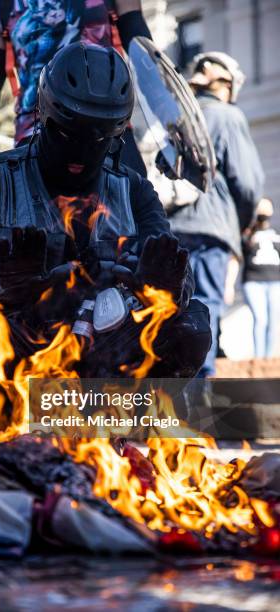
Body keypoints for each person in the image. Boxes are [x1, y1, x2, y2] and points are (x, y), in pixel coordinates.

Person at [0, 43, 212, 406]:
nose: (80, 151)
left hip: (111, 354)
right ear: (43, 116)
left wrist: (165, 286)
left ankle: (120, 427)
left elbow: (173, 264)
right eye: (67, 134)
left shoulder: (133, 189)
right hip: (25, 345)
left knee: (190, 322)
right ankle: (14, 436)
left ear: (117, 134)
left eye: (97, 138)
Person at [0, 0, 152, 194]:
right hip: (38, 133)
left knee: (139, 208)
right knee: (24, 221)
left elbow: (149, 62)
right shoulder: (0, 7)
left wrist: (175, 125)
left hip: (107, 128)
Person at [168, 51, 265, 378]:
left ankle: (174, 407)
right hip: (211, 232)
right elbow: (248, 184)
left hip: (173, 230)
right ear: (228, 87)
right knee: (204, 311)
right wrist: (238, 224)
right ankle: (199, 408)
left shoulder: (179, 121)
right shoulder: (228, 116)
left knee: (175, 313)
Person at [242, 197, 280, 358]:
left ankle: (268, 359)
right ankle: (258, 358)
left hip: (275, 282)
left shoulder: (276, 234)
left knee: (273, 321)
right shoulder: (248, 234)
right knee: (260, 318)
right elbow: (237, 256)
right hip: (253, 281)